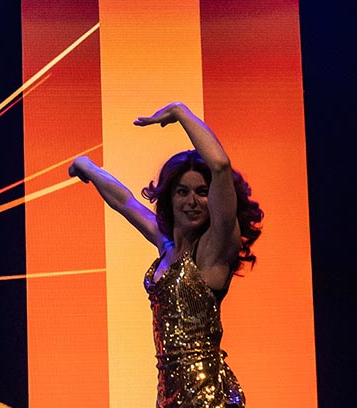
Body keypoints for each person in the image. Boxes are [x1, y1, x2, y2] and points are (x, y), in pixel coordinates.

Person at [68, 102, 264, 407]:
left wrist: (180, 113)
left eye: (202, 192)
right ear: (170, 198)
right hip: (170, 397)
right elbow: (125, 201)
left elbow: (220, 166)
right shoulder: (167, 245)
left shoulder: (214, 248)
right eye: (182, 192)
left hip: (208, 399)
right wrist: (87, 167)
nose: (192, 201)